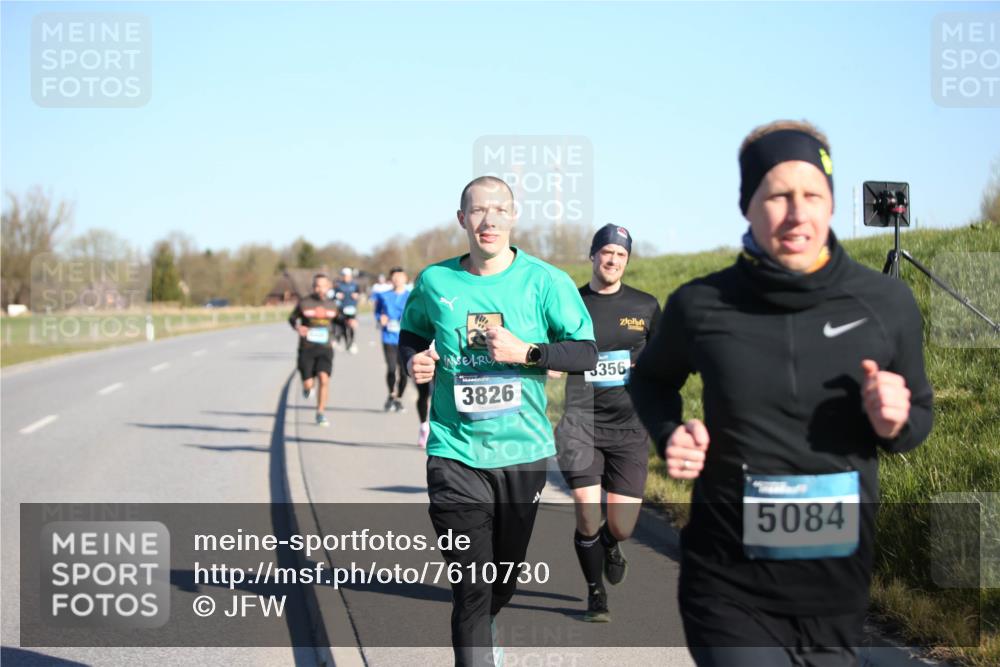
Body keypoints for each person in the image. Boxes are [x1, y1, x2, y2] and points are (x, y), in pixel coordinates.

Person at [628, 120, 934, 667]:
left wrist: (896, 421)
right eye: (778, 196)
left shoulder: (885, 303)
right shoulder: (701, 305)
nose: (798, 214)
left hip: (835, 587)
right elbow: (651, 379)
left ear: (832, 203)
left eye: (813, 194)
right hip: (727, 578)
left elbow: (920, 418)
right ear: (748, 204)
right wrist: (671, 434)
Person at [399, 175, 597, 666]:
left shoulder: (545, 281)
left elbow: (587, 352)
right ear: (462, 219)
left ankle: (489, 621)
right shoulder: (435, 281)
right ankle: (479, 636)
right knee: (471, 585)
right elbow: (411, 333)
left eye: (498, 210)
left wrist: (527, 351)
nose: (488, 220)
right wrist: (411, 362)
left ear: (513, 215)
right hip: (454, 452)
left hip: (522, 454)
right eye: (478, 211)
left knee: (502, 580)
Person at [554, 223, 660, 623]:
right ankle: (595, 592)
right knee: (586, 512)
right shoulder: (570, 304)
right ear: (593, 255)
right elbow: (551, 347)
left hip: (629, 426)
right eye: (606, 252)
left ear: (626, 261)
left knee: (622, 524)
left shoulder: (645, 306)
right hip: (580, 422)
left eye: (621, 255)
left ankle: (612, 544)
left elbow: (663, 360)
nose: (613, 260)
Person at [288, 273, 339, 427]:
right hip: (307, 348)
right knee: (309, 383)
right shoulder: (304, 303)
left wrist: (349, 321)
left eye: (323, 285)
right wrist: (298, 327)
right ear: (313, 287)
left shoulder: (333, 304)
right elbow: (291, 318)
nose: (320, 288)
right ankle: (307, 387)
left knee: (324, 378)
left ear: (328, 286)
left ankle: (320, 413)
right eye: (317, 285)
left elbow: (340, 320)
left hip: (325, 348)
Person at [372, 267, 411, 413]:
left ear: (405, 278)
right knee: (391, 369)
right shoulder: (383, 296)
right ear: (390, 279)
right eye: (394, 277)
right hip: (388, 337)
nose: (397, 279)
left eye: (400, 277)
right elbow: (377, 312)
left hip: (406, 338)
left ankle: (399, 398)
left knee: (404, 372)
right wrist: (379, 318)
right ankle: (391, 394)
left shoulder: (411, 296)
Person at [334, 267, 361, 354]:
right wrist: (337, 295)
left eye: (348, 276)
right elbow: (332, 295)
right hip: (342, 308)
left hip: (352, 309)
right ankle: (346, 343)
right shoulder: (338, 285)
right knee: (343, 326)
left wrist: (357, 296)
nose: (346, 277)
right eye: (344, 276)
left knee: (351, 326)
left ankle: (352, 342)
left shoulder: (355, 285)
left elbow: (359, 294)